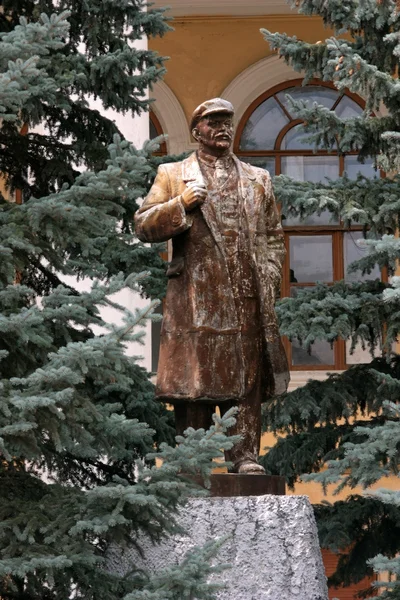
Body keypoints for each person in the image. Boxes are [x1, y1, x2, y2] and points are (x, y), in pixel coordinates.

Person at [135, 98, 289, 474]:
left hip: (245, 291)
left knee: (246, 374)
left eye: (227, 121)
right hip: (195, 295)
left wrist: (268, 274)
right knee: (195, 377)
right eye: (213, 122)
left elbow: (273, 236)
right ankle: (193, 461)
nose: (222, 128)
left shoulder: (258, 179)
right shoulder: (173, 174)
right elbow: (143, 225)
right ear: (196, 131)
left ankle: (244, 456)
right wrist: (181, 204)